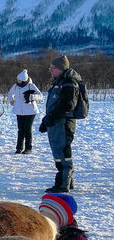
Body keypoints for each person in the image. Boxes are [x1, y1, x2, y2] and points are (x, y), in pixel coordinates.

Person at [39, 55, 82, 193]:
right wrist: (47, 120)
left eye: (53, 68)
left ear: (61, 69)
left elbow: (67, 104)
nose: (50, 71)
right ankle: (67, 181)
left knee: (63, 153)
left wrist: (51, 117)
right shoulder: (60, 81)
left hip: (63, 123)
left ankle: (63, 184)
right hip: (57, 123)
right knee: (59, 152)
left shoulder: (68, 83)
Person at [7, 69, 43, 154]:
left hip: (30, 111)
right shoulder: (15, 86)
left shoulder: (31, 86)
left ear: (24, 80)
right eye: (17, 80)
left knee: (27, 129)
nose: (17, 81)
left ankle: (28, 148)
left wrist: (31, 97)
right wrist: (11, 100)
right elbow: (10, 93)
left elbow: (40, 96)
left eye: (19, 80)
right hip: (19, 111)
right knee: (20, 130)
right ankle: (19, 148)